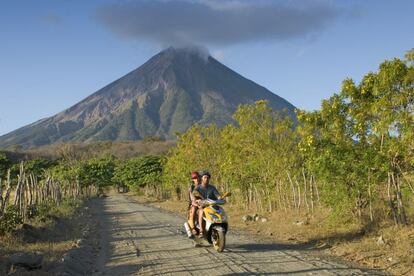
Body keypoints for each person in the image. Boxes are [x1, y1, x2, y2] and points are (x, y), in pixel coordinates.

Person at [194, 171, 221, 237]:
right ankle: (201, 231)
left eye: (208, 177)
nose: (206, 179)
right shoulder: (198, 188)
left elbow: (217, 195)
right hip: (202, 206)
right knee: (201, 211)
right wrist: (197, 200)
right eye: (205, 177)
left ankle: (219, 225)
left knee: (220, 211)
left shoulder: (212, 187)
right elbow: (194, 197)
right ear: (202, 179)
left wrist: (220, 198)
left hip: (212, 205)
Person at [187, 171, 200, 236]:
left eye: (197, 177)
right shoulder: (191, 187)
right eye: (194, 178)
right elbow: (192, 196)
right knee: (194, 209)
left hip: (204, 203)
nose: (196, 179)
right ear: (192, 179)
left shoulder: (203, 185)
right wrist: (195, 201)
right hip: (193, 204)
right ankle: (193, 229)